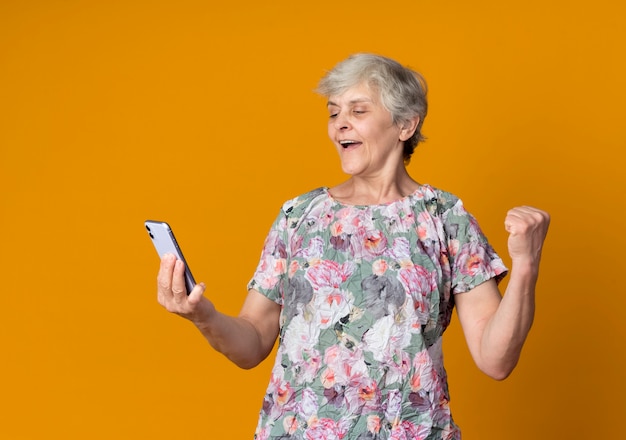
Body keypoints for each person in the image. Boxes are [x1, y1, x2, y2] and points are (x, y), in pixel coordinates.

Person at [156, 53, 550, 439]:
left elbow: (496, 359)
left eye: (357, 111)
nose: (340, 124)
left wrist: (526, 264)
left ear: (406, 125)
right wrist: (204, 316)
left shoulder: (445, 216)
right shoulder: (298, 215)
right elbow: (251, 344)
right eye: (333, 113)